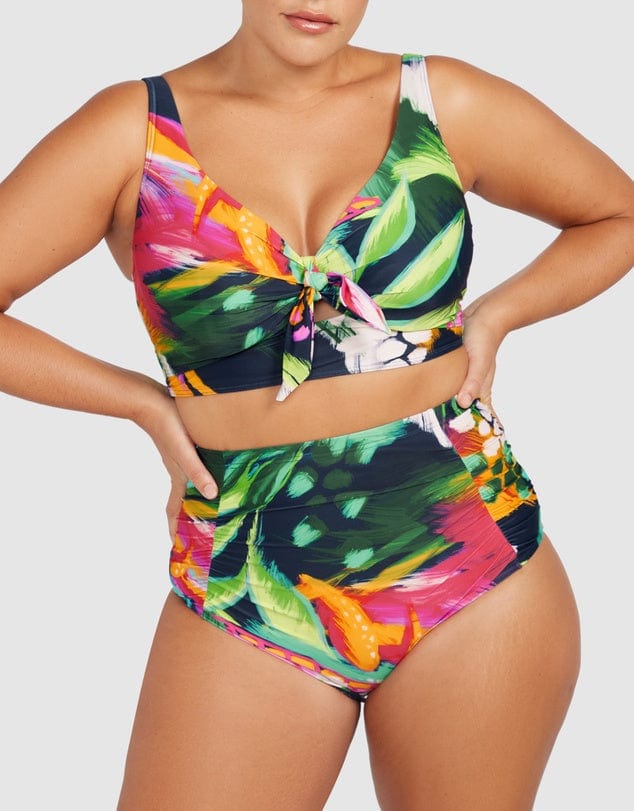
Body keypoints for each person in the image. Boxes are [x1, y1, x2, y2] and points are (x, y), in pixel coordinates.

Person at [1, 2, 632, 809]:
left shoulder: (441, 100)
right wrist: (144, 405)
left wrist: (498, 315)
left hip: (471, 556)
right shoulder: (134, 129)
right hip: (245, 570)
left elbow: (617, 213)